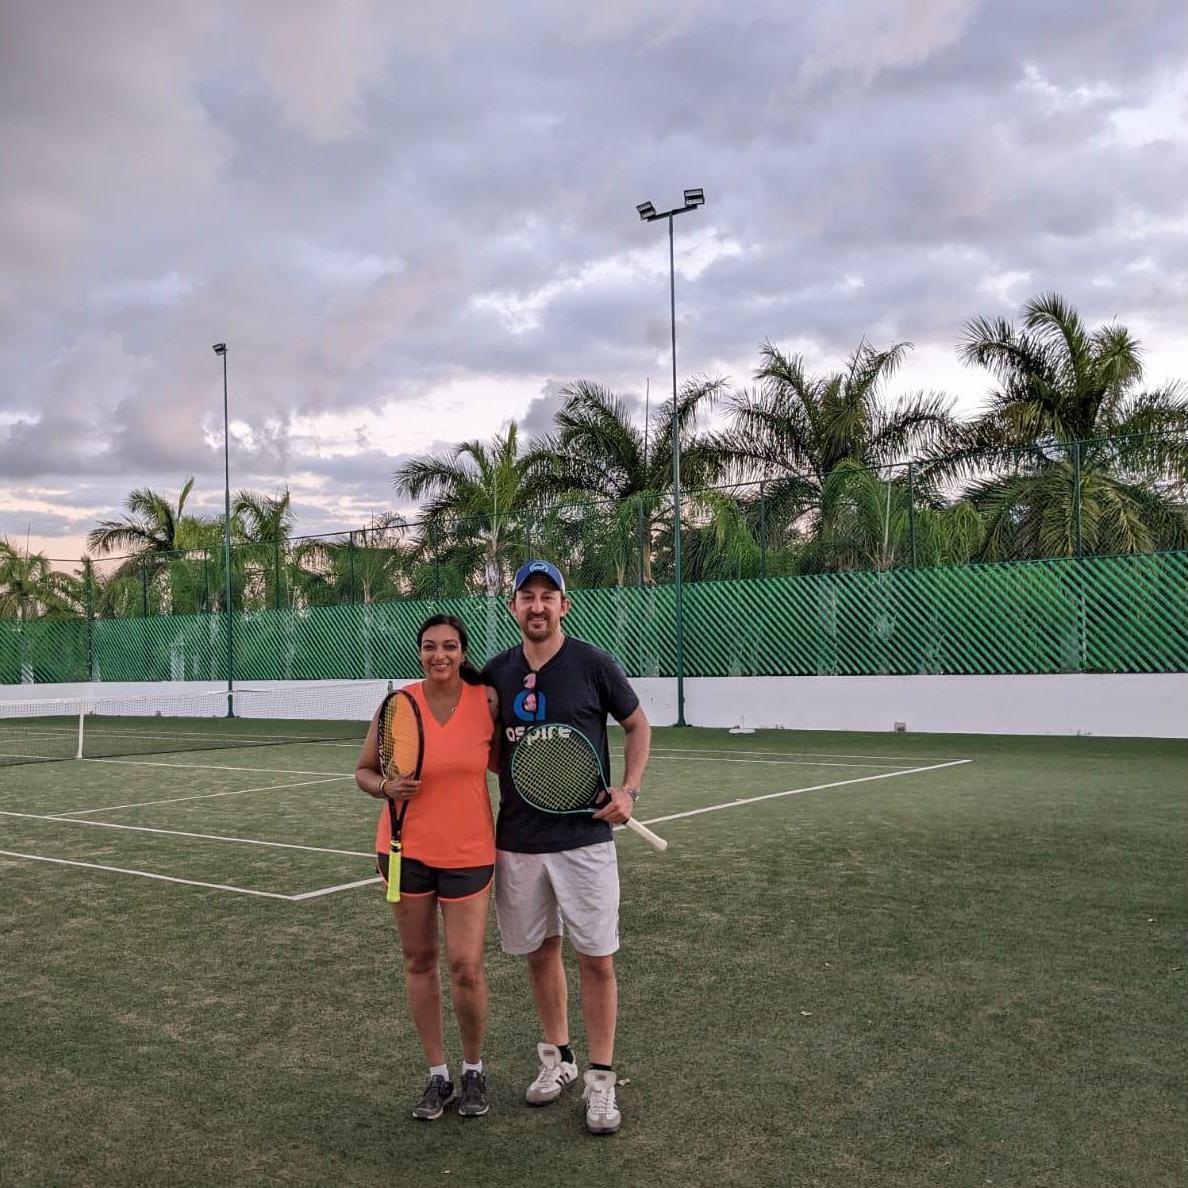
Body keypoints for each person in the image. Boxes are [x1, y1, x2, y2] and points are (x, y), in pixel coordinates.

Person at [483, 559, 652, 1135]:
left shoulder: (592, 664)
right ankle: (558, 1060)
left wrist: (627, 790)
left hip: (585, 839)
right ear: (513, 608)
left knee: (597, 959)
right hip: (519, 840)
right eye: (526, 596)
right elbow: (487, 747)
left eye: (546, 596)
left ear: (564, 605)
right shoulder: (496, 673)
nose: (536, 606)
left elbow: (638, 725)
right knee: (539, 952)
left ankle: (602, 1083)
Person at [355, 614, 499, 1122]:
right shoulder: (398, 705)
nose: (440, 655)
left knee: (466, 967)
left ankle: (474, 1069)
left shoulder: (487, 701)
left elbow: (506, 763)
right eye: (430, 647)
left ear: (463, 652)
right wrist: (384, 788)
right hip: (404, 851)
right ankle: (438, 1074)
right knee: (419, 962)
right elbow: (364, 771)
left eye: (450, 646)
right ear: (420, 653)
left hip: (469, 853)